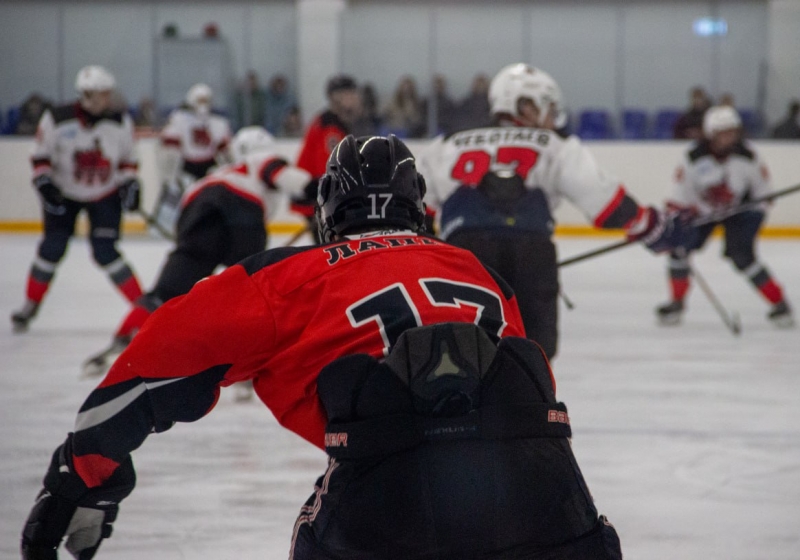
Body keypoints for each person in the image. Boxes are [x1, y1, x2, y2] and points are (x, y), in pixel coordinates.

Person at [20, 134, 623, 560]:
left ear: (328, 208)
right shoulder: (476, 270)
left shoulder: (282, 277)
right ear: (420, 205)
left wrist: (84, 473)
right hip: (551, 500)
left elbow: (150, 369)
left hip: (387, 504)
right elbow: (528, 385)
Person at [418, 63, 690, 359]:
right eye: (547, 108)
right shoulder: (555, 145)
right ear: (524, 105)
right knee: (534, 354)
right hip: (532, 254)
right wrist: (653, 226)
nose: (551, 119)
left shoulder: (446, 145)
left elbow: (418, 210)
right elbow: (605, 204)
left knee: (466, 352)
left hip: (465, 256)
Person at [81, 125, 313, 381]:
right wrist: (318, 188)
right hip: (243, 213)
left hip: (196, 213)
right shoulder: (260, 160)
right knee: (251, 293)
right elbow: (290, 179)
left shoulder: (216, 174)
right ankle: (249, 362)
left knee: (166, 292)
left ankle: (124, 340)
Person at [11, 66, 144, 333]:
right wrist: (44, 183)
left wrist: (130, 183)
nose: (107, 99)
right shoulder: (57, 119)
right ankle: (30, 304)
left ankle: (144, 308)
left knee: (106, 252)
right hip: (64, 194)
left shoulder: (120, 121)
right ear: (86, 94)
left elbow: (128, 160)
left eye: (107, 93)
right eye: (101, 94)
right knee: (52, 248)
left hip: (104, 194)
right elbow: (40, 156)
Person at [656, 105, 794, 327]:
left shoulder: (749, 156)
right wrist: (679, 217)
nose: (729, 137)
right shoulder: (692, 157)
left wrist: (753, 206)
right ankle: (676, 303)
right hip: (703, 213)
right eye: (723, 133)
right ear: (710, 134)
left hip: (742, 213)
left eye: (732, 132)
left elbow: (765, 195)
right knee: (678, 249)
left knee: (742, 257)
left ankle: (780, 304)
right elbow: (679, 196)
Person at [154, 83, 233, 233]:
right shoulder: (179, 119)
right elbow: (169, 151)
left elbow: (225, 154)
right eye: (200, 100)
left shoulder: (218, 123)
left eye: (206, 100)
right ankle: (170, 226)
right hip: (187, 167)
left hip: (210, 168)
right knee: (179, 198)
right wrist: (169, 176)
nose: (203, 105)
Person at [291, 75, 361, 239]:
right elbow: (328, 167)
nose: (355, 98)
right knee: (330, 246)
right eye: (349, 93)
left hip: (316, 193)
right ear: (336, 97)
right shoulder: (330, 127)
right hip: (315, 195)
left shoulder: (331, 121)